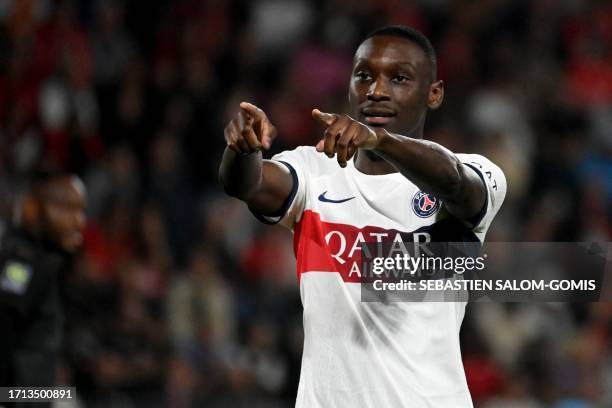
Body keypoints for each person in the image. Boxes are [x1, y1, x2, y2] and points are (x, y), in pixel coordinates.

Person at [219, 25, 506, 408]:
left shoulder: (473, 173)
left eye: (399, 78)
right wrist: (242, 149)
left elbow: (456, 184)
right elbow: (247, 184)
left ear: (434, 93)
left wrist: (380, 141)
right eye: (364, 76)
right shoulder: (312, 170)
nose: (377, 91)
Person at [0, 171, 86, 406]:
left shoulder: (47, 260)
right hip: (16, 395)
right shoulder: (24, 260)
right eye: (65, 209)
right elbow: (5, 325)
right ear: (33, 209)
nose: (78, 221)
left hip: (32, 391)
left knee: (71, 398)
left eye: (79, 210)